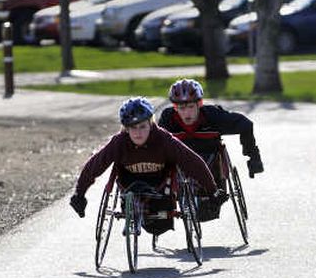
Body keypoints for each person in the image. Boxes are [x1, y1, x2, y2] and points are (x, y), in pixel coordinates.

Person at [70, 97, 227, 235]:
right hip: (129, 185)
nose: (138, 133)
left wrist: (212, 190)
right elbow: (95, 166)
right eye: (133, 128)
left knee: (160, 223)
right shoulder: (119, 142)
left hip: (159, 189)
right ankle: (134, 213)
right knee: (131, 192)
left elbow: (192, 162)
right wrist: (79, 194)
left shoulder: (164, 139)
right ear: (126, 128)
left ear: (151, 124)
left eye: (142, 127)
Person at [158, 79, 264, 219]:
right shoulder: (168, 119)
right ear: (175, 107)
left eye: (190, 107)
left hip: (211, 163)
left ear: (199, 104)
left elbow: (245, 125)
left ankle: (210, 195)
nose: (187, 113)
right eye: (181, 108)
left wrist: (253, 157)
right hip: (181, 164)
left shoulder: (213, 116)